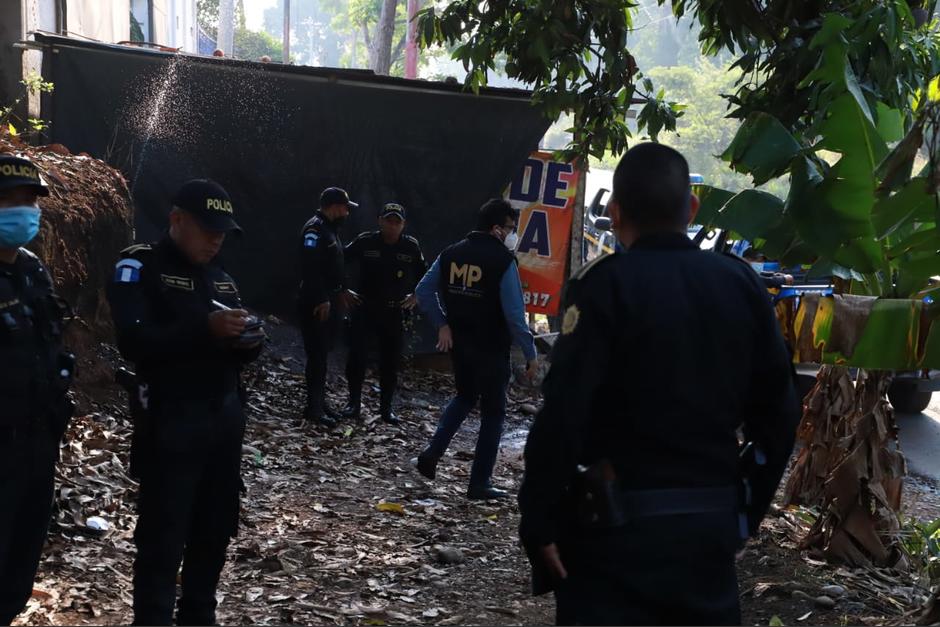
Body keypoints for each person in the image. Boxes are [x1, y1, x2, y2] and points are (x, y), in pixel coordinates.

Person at [517, 143, 801, 625]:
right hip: (707, 530)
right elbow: (781, 414)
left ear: (614, 212)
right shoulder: (741, 285)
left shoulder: (603, 284)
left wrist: (537, 518)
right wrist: (744, 513)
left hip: (612, 537)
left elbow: (564, 414)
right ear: (690, 207)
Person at [107, 179, 263, 626]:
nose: (216, 241)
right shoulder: (141, 266)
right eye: (207, 229)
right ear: (176, 220)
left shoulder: (223, 279)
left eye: (223, 233)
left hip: (224, 422)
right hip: (172, 422)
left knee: (214, 531)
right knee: (163, 535)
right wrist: (206, 330)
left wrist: (248, 340)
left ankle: (199, 614)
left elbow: (240, 349)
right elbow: (135, 341)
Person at [414, 198, 538, 500]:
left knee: (465, 396)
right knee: (494, 413)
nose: (512, 234)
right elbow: (514, 314)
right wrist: (531, 352)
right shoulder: (503, 261)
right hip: (492, 348)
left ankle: (432, 454)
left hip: (461, 345)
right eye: (510, 228)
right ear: (496, 229)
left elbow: (422, 291)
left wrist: (441, 323)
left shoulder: (452, 253)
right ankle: (480, 481)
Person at [0, 155, 74, 626]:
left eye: (30, 200)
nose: (25, 211)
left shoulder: (31, 269)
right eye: (11, 201)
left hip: (36, 441)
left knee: (21, 555)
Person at [342, 203, 427, 424]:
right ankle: (353, 403)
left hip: (394, 311)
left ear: (403, 225)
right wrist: (342, 289)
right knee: (357, 358)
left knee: (390, 362)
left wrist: (416, 296)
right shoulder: (366, 241)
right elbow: (338, 261)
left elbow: (425, 275)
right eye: (388, 220)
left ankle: (386, 409)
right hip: (366, 308)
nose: (392, 225)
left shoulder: (410, 246)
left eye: (397, 222)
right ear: (380, 221)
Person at [298, 187, 358, 427]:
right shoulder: (315, 229)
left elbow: (332, 266)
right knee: (317, 355)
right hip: (315, 301)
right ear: (334, 206)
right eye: (345, 207)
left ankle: (320, 402)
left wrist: (342, 288)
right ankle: (313, 408)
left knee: (323, 354)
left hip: (330, 299)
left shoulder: (330, 229)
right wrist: (321, 298)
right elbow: (310, 267)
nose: (347, 212)